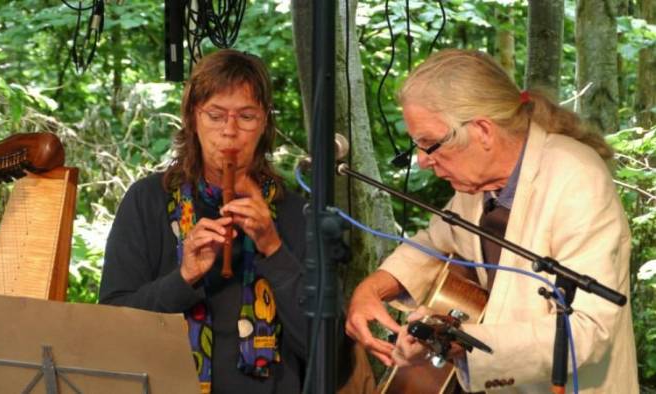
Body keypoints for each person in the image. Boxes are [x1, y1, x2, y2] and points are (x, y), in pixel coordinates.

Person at [345, 48, 638, 393]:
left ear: (483, 131)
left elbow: (588, 329)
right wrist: (372, 289)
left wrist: (462, 342)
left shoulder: (576, 178)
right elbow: (435, 242)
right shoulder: (475, 186)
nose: (423, 161)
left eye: (430, 144)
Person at [99, 49, 308, 394]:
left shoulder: (294, 214)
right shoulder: (148, 200)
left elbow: (328, 351)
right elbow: (111, 327)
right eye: (215, 115)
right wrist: (183, 278)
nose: (230, 132)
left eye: (246, 116)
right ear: (192, 119)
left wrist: (273, 247)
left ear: (265, 124)